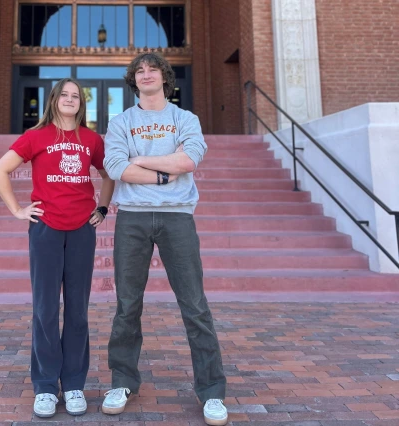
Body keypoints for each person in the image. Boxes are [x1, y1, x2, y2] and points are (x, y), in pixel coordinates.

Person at [101, 53, 228, 426]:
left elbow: (188, 162)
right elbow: (114, 168)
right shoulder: (121, 121)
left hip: (177, 218)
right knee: (127, 305)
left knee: (194, 305)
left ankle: (212, 391)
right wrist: (160, 172)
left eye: (151, 69)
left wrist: (138, 162)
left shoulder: (185, 119)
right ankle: (122, 381)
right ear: (133, 80)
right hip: (132, 220)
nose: (145, 74)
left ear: (165, 78)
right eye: (138, 71)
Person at [0, 78, 114, 419]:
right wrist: (18, 210)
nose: (71, 99)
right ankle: (46, 386)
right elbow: (0, 170)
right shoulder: (37, 136)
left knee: (77, 310)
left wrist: (102, 208)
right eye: (65, 94)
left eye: (76, 96)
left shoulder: (91, 139)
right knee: (45, 309)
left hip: (81, 230)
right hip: (44, 229)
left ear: (81, 103)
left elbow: (108, 175)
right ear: (55, 99)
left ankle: (73, 384)